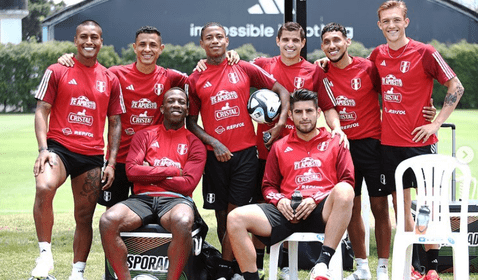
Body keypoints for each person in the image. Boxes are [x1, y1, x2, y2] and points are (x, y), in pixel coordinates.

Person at [186, 22, 290, 280]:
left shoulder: (242, 67)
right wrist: (214, 142)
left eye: (219, 37)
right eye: (208, 38)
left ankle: (225, 270)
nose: (214, 41)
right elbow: (190, 122)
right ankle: (232, 268)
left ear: (227, 40)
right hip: (216, 156)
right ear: (202, 44)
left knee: (237, 212)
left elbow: (282, 91)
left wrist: (279, 124)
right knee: (222, 214)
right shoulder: (195, 78)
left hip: (245, 155)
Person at [370, 1, 464, 279]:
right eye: (386, 21)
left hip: (421, 143)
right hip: (389, 143)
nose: (391, 26)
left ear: (406, 22)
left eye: (396, 20)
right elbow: (374, 88)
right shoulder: (377, 55)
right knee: (401, 211)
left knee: (428, 206)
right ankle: (412, 267)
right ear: (379, 25)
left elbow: (456, 86)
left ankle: (432, 268)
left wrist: (435, 121)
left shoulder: (426, 52)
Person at [227, 89, 355, 280]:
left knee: (345, 191)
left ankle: (321, 265)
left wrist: (315, 198)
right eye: (298, 112)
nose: (304, 117)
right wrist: (279, 201)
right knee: (235, 217)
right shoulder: (279, 146)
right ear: (290, 115)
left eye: (309, 111)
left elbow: (348, 181)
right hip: (287, 210)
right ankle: (251, 277)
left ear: (318, 113)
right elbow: (268, 186)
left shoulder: (336, 142)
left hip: (321, 211)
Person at [31, 20, 125, 280]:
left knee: (84, 217)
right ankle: (45, 255)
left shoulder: (110, 78)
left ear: (101, 42)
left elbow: (115, 123)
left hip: (92, 156)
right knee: (44, 187)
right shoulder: (57, 70)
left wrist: (112, 162)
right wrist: (42, 149)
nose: (89, 41)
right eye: (83, 36)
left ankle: (77, 273)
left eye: (94, 37)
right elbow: (42, 110)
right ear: (75, 40)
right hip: (59, 148)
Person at [99, 87, 206, 280]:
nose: (176, 105)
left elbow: (187, 185)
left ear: (187, 110)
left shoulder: (195, 143)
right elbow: (132, 172)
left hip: (176, 200)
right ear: (162, 108)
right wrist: (173, 171)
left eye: (181, 102)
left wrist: (148, 171)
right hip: (142, 199)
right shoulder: (144, 135)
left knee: (182, 222)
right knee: (108, 221)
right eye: (171, 101)